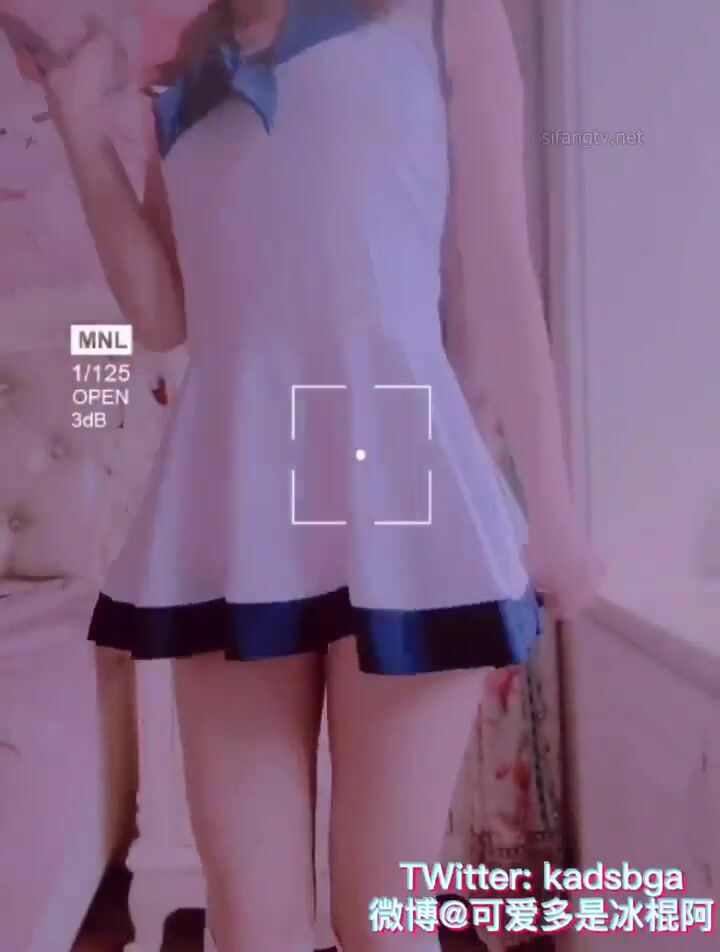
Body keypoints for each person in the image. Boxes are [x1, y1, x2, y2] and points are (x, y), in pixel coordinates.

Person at [29, 0, 604, 949]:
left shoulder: (444, 13)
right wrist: (79, 125)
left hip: (400, 477)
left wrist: (553, 512)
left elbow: (501, 271)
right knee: (252, 923)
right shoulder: (191, 64)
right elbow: (162, 314)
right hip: (235, 495)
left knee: (380, 920)